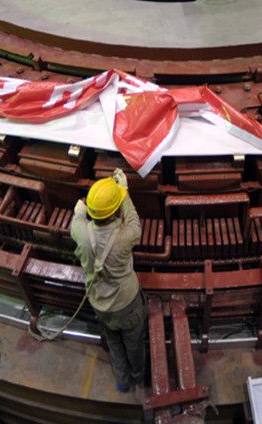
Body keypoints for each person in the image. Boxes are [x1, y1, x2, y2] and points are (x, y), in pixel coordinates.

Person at [70, 168, 146, 393]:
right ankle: (138, 376)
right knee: (134, 344)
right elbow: (133, 221)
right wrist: (124, 191)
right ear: (115, 211)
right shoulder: (127, 236)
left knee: (113, 341)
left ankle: (123, 381)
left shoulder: (80, 232)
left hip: (100, 304)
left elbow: (78, 218)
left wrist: (80, 211)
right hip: (128, 304)